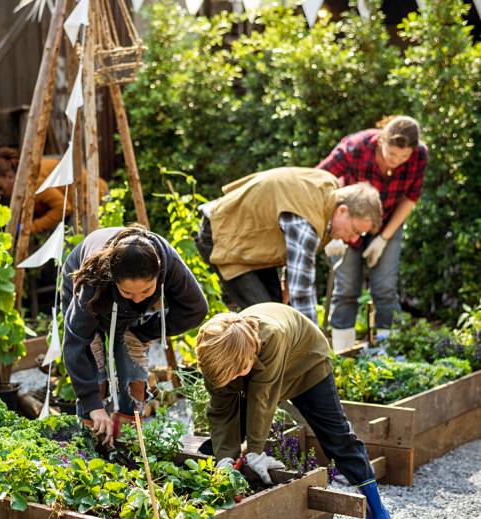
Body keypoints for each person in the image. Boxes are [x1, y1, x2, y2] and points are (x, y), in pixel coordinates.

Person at [195, 303, 401, 519]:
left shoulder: (272, 336)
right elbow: (221, 410)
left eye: (238, 372)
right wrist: (225, 458)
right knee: (220, 444)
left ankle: (378, 514)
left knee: (337, 438)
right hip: (250, 367)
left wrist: (255, 451)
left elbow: (263, 398)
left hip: (306, 364)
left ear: (248, 356)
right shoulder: (214, 352)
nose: (233, 378)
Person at [62, 225, 208, 446]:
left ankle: (127, 439)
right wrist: (94, 406)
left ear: (159, 274)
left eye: (146, 291)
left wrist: (144, 331)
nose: (138, 299)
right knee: (95, 361)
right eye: (128, 292)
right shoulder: (93, 278)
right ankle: (90, 440)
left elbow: (195, 309)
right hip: (88, 293)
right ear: (113, 278)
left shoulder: (168, 261)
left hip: (127, 313)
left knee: (132, 354)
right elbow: (75, 344)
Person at [194, 167, 382, 325]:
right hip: (222, 234)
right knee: (267, 320)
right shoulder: (307, 221)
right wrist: (315, 349)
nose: (352, 239)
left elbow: (294, 262)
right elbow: (302, 292)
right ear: (343, 211)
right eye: (355, 231)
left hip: (251, 244)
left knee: (277, 311)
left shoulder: (328, 191)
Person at [318, 116, 428, 351]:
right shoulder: (355, 147)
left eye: (403, 157)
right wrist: (327, 227)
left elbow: (411, 198)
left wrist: (383, 239)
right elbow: (319, 180)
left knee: (385, 289)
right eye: (391, 154)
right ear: (381, 141)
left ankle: (389, 352)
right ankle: (342, 353)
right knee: (346, 289)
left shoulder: (420, 155)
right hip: (350, 220)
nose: (396, 162)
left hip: (388, 221)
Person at [0, 147, 108, 234]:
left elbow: (64, 208)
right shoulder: (24, 182)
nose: (0, 193)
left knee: (75, 249)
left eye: (0, 188)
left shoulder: (32, 183)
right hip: (82, 200)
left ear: (9, 177)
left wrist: (31, 228)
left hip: (92, 196)